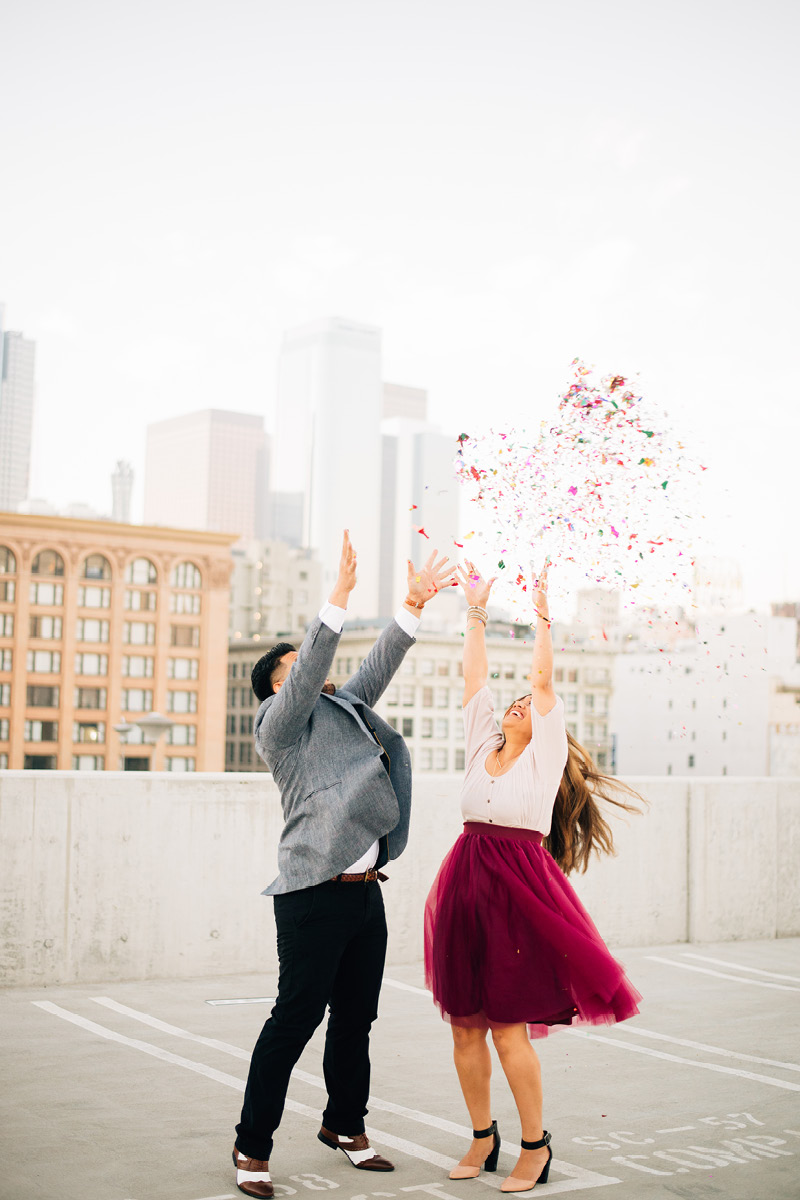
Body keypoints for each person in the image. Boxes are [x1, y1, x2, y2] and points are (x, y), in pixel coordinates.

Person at [233, 530, 455, 1199]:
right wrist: (335, 602)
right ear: (279, 682)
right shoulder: (279, 725)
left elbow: (378, 666)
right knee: (295, 1017)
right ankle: (251, 1145)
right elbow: (307, 673)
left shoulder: (345, 708)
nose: (315, 669)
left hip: (364, 893)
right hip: (310, 894)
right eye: (299, 665)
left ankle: (345, 1125)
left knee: (356, 1018)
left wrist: (412, 606)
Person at [424, 560, 643, 1194]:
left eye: (528, 702)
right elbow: (474, 675)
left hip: (518, 889)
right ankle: (480, 1137)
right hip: (466, 879)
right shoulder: (480, 743)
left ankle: (535, 1146)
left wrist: (543, 612)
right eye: (514, 702)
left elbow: (541, 678)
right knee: (465, 1026)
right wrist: (475, 612)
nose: (520, 703)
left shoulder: (544, 754)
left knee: (507, 1029)